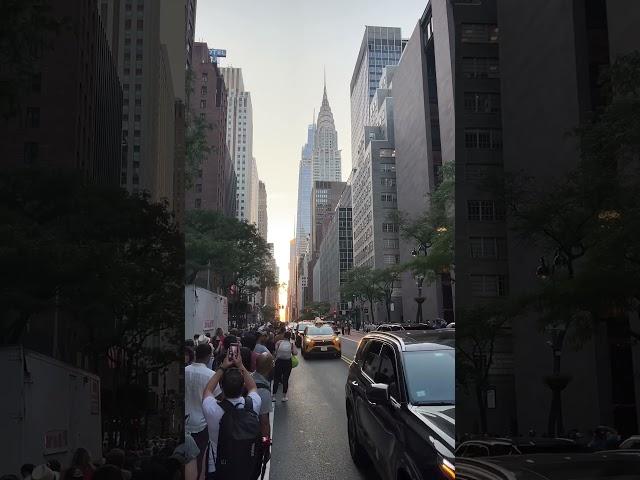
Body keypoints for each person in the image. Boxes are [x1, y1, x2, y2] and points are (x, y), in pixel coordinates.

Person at [202, 349, 262, 479]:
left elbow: (207, 390)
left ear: (222, 387)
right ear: (243, 388)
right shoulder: (252, 405)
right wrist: (240, 365)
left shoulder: (213, 409)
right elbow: (253, 387)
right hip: (246, 468)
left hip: (218, 469)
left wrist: (222, 367)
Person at [185, 343, 221, 480]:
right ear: (208, 356)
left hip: (186, 421)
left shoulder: (186, 370)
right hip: (202, 423)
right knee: (199, 458)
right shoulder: (211, 375)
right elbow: (217, 399)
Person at [251, 353, 274, 480]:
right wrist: (266, 446)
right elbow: (264, 423)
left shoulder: (249, 378)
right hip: (255, 438)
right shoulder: (263, 391)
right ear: (269, 367)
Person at [272, 331, 297, 402]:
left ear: (284, 336)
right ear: (289, 337)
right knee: (285, 379)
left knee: (276, 379)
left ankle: (273, 396)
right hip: (287, 363)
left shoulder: (279, 343)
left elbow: (276, 351)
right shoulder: (291, 344)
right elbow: (295, 353)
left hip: (279, 362)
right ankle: (284, 396)